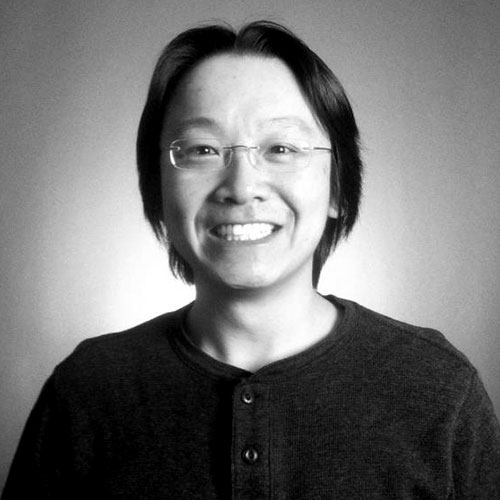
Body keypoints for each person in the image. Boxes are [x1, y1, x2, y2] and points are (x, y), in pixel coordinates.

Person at [2, 20, 500, 500]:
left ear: (337, 189)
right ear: (158, 188)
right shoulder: (87, 391)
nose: (241, 187)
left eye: (281, 147)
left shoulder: (438, 388)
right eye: (202, 150)